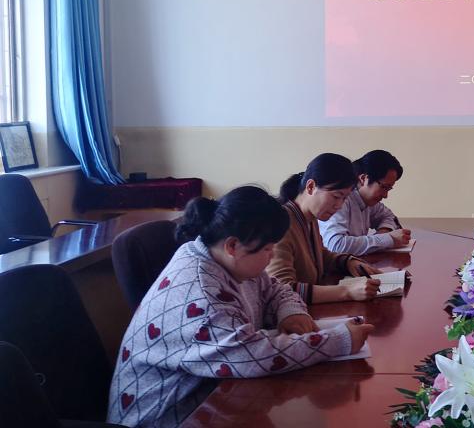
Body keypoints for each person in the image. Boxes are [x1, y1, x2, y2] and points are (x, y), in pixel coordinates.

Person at [107, 186, 374, 428]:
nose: (272, 256)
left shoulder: (226, 259)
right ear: (233, 245)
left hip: (213, 396)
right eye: (267, 249)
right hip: (169, 416)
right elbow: (252, 356)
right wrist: (338, 341)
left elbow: (276, 288)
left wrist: (291, 312)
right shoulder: (200, 293)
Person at [267, 153, 382, 304]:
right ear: (311, 187)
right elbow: (282, 290)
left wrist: (347, 262)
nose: (339, 205)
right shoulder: (280, 224)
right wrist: (346, 292)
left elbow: (319, 255)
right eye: (336, 196)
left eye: (344, 198)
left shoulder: (309, 218)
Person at [320, 149, 411, 255]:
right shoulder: (340, 200)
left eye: (389, 189)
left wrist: (384, 231)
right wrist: (388, 239)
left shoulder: (369, 201)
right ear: (363, 178)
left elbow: (389, 216)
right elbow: (335, 245)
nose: (385, 195)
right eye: (384, 187)